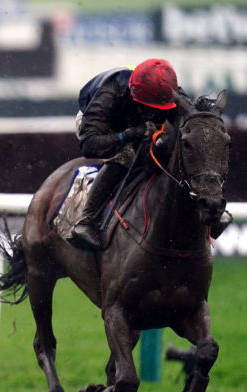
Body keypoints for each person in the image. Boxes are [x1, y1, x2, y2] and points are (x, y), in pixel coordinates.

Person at [70, 58, 231, 251]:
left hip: (141, 117)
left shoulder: (171, 94)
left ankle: (209, 211)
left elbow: (193, 127)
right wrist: (128, 134)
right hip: (100, 126)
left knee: (178, 148)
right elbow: (89, 145)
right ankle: (87, 219)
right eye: (145, 108)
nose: (150, 114)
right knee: (126, 154)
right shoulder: (109, 94)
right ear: (133, 96)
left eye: (156, 110)